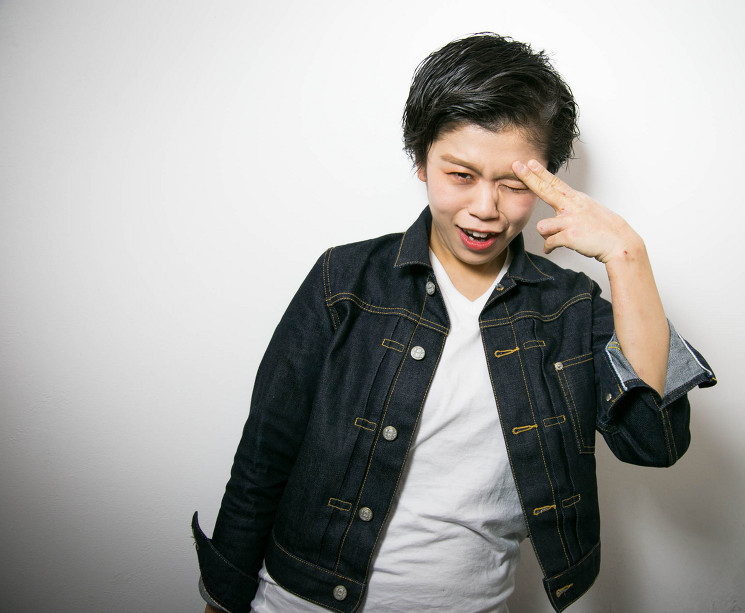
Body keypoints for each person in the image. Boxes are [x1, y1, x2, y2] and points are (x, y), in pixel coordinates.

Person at [192, 33, 715, 613]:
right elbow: (264, 456)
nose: (485, 208)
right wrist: (222, 599)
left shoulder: (570, 307)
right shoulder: (345, 280)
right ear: (421, 161)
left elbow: (654, 442)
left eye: (514, 184)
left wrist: (628, 257)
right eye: (461, 175)